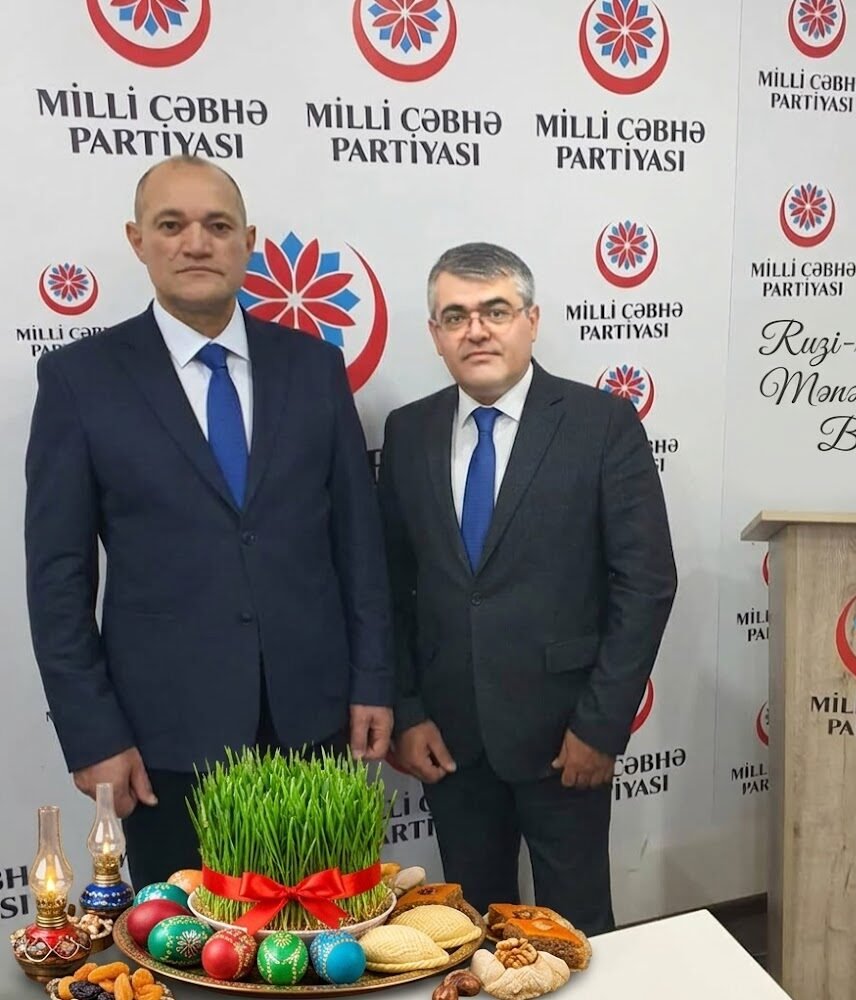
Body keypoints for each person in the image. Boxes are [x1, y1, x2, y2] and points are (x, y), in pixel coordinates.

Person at [25, 155, 393, 888]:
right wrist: (93, 735)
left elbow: (359, 543)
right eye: (172, 225)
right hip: (164, 740)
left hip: (312, 723)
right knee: (188, 942)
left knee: (322, 931)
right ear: (138, 240)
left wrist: (373, 679)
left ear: (247, 242)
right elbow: (58, 580)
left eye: (218, 226)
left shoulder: (314, 368)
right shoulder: (80, 379)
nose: (196, 243)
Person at [379, 242, 676, 936]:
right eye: (456, 316)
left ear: (532, 321)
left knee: (579, 932)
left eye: (496, 311)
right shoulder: (409, 431)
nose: (476, 330)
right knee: (470, 932)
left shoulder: (602, 424)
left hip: (564, 737)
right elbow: (391, 584)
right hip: (448, 742)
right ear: (435, 334)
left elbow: (645, 583)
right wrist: (409, 711)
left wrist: (600, 726)